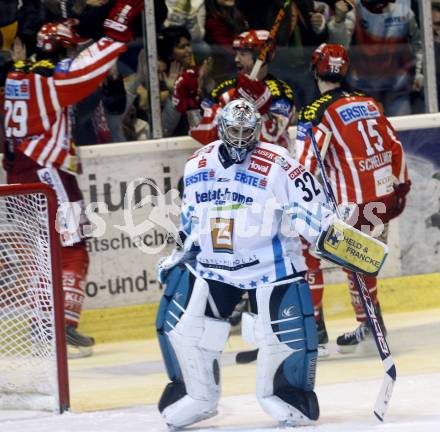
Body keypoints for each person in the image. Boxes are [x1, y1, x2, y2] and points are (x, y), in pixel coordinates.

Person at [154, 98, 388, 429]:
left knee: (280, 341)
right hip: (213, 268)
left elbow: (314, 213)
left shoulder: (279, 163)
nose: (239, 138)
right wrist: (178, 254)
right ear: (221, 129)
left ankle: (287, 393)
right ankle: (197, 394)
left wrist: (346, 244)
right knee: (184, 331)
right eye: (233, 131)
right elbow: (189, 221)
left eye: (245, 132)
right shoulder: (197, 165)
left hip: (270, 268)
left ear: (257, 131)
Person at [2, 0, 144, 357]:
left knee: (40, 251)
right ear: (61, 49)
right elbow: (87, 70)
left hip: (18, 174)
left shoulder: (13, 78)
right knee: (72, 247)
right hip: (49, 175)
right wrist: (117, 29)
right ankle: (62, 324)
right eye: (69, 48)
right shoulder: (49, 80)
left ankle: (41, 324)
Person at [297, 43, 411, 354]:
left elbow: (305, 167)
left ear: (314, 70)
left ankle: (314, 327)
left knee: (304, 248)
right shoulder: (369, 103)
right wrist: (401, 188)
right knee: (359, 262)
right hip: (383, 200)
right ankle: (371, 322)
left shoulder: (315, 111)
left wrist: (296, 205)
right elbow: (395, 147)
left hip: (351, 207)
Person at [172, 29, 296, 148]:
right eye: (236, 54)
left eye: (243, 54)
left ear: (261, 56)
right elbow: (203, 134)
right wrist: (192, 107)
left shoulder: (280, 91)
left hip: (271, 165)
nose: (236, 59)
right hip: (235, 166)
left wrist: (263, 111)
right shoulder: (224, 90)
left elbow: (273, 135)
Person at [327, 0, 423, 117]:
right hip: (363, 87)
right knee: (365, 131)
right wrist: (338, 22)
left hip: (397, 88)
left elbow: (419, 46)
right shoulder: (353, 13)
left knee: (403, 131)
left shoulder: (403, 13)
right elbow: (340, 49)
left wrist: (419, 73)